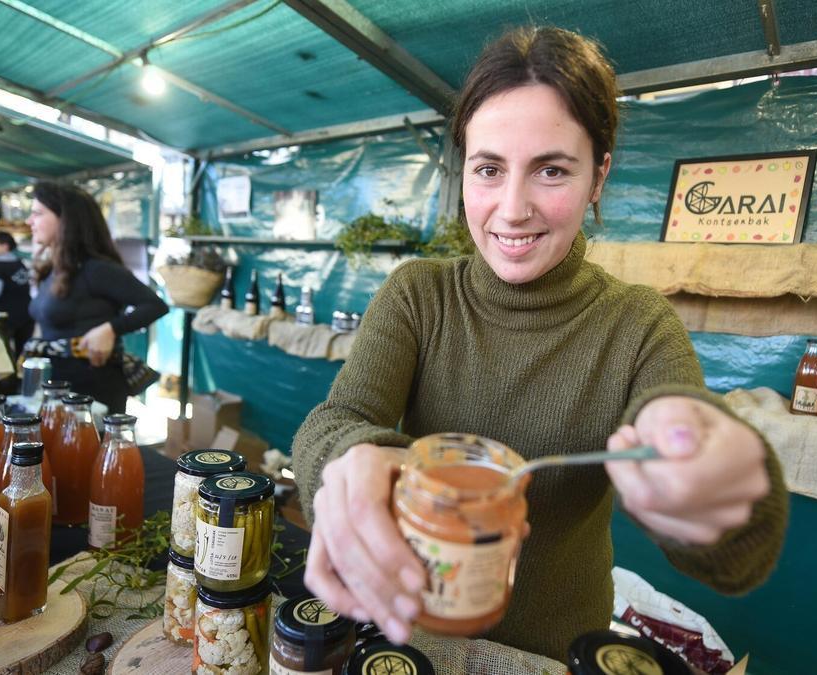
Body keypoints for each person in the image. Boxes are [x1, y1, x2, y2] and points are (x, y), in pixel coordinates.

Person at [292, 26, 788, 661]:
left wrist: (708, 482)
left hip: (559, 655)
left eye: (551, 170)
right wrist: (350, 457)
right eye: (489, 169)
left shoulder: (638, 326)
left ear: (598, 176)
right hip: (411, 645)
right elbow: (337, 421)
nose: (512, 207)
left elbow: (727, 523)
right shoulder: (420, 296)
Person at [26, 182, 167, 413]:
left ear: (66, 220)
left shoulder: (96, 269)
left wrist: (110, 329)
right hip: (55, 386)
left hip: (91, 390)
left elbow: (154, 305)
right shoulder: (55, 269)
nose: (29, 222)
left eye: (38, 213)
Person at [0, 229, 34, 360]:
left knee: (3, 355)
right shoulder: (19, 263)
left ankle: (8, 380)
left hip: (5, 319)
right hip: (26, 315)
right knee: (22, 355)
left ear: (5, 245)